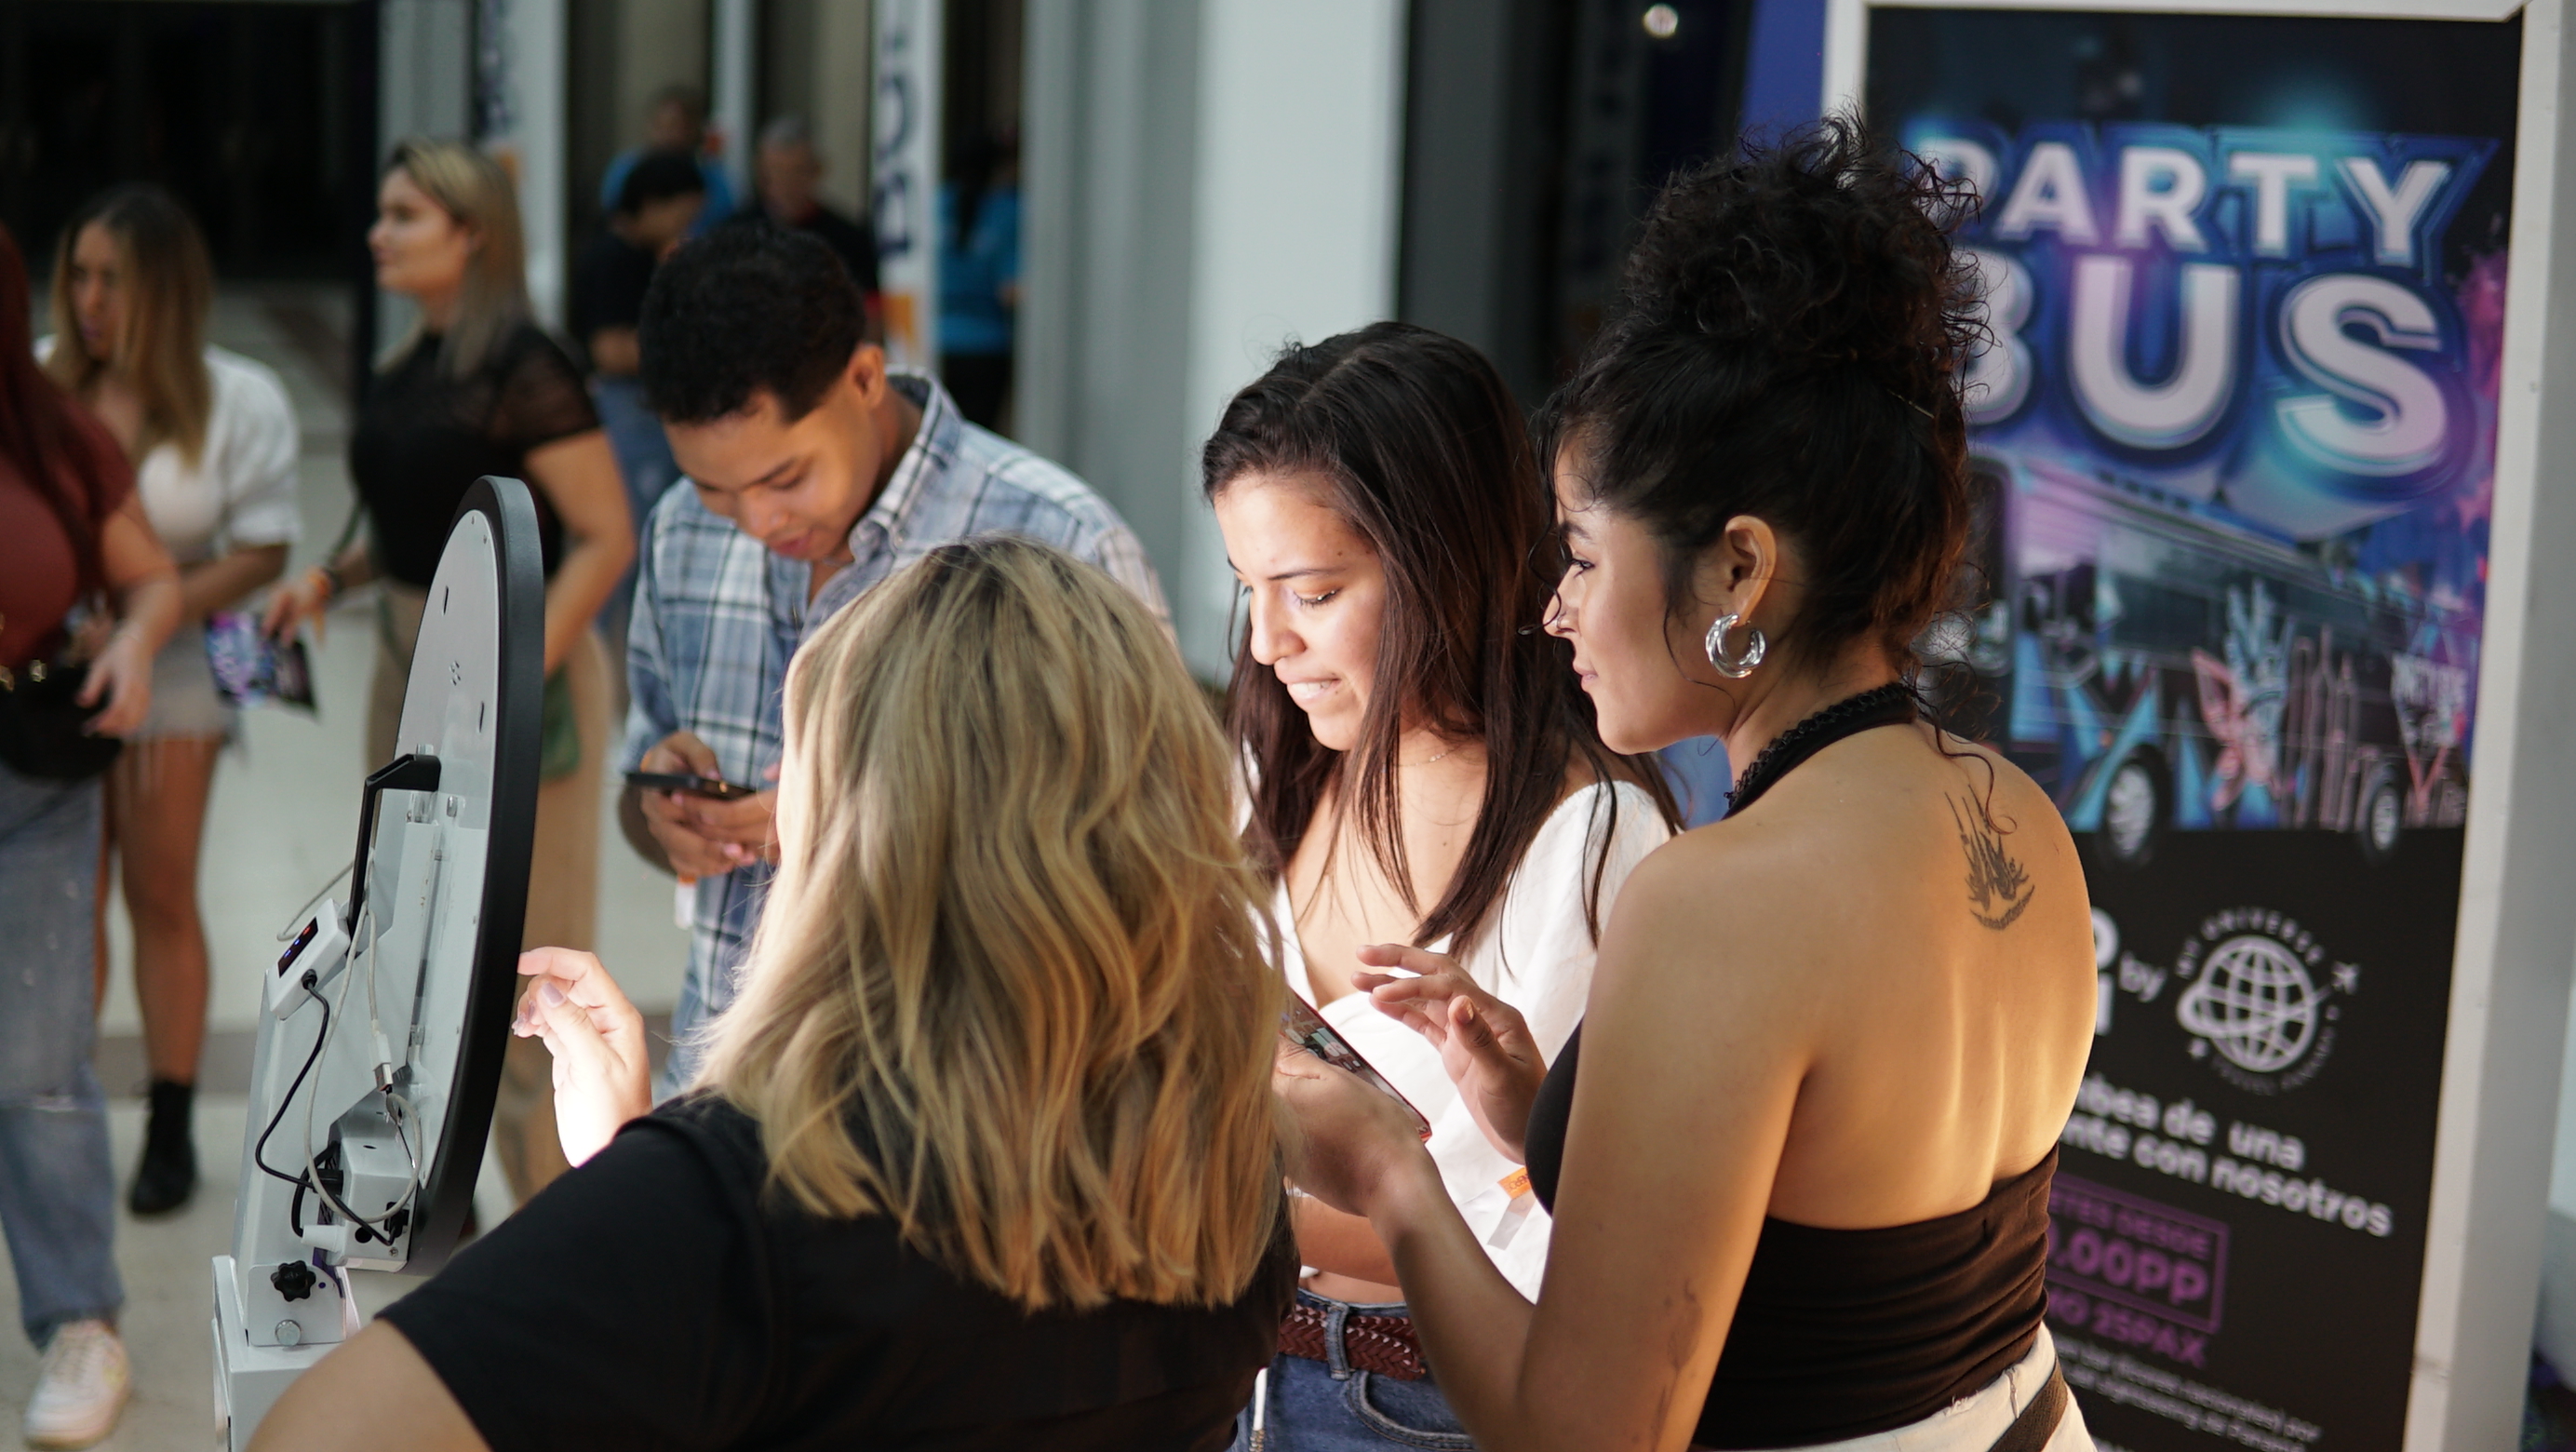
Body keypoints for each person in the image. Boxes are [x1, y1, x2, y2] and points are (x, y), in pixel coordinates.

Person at [1276, 122, 2101, 1451]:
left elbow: (1583, 1434)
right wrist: (1545, 1116)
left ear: (1737, 571)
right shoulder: (2014, 816)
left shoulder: (1715, 901)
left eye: (1583, 558)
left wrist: (1386, 1169)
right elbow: (1830, 1222)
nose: (1555, 610)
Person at [253, 538, 1296, 1452]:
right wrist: (633, 1169)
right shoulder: (1221, 1179)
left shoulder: (741, 1205)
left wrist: (643, 1195)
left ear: (855, 832)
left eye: (797, 761)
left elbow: (321, 1437)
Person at [1205, 322, 1678, 1450]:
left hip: (1427, 1405)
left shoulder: (1591, 841)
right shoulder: (1269, 768)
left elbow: (1574, 1240)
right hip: (1232, 1372)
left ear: (1440, 566)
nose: (1266, 642)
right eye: (1247, 589)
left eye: (1311, 592)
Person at [620, 223, 1162, 1089]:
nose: (757, 522)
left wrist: (844, 832)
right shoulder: (683, 531)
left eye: (785, 479)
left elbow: (1141, 880)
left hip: (963, 1104)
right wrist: (662, 813)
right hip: (726, 1088)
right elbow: (640, 772)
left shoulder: (1060, 542)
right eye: (718, 489)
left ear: (866, 378)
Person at [263, 138, 633, 1203]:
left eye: (405, 216)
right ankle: (441, 1195)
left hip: (522, 673)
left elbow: (605, 535)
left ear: (473, 233)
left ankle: (555, 1214)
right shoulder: (409, 366)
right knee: (414, 939)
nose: (377, 234)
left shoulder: (524, 364)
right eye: (382, 213)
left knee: (524, 952)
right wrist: (328, 580)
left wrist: (511, 678)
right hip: (415, 661)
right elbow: (417, 522)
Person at [41, 183, 302, 1217]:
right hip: (54, 660)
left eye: (112, 279)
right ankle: (56, 1112)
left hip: (184, 658)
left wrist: (145, 617)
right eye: (78, 275)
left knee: (160, 890)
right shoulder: (41, 382)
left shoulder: (238, 397)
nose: (89, 300)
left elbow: (263, 549)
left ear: (166, 289)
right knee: (67, 896)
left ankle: (171, 1120)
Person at [0, 219, 181, 1450]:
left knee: (37, 1058)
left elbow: (152, 576)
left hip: (31, 777)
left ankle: (80, 1317)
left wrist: (134, 642)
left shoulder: (51, 432)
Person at [571, 149, 704, 652]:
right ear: (651, 205)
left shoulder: (647, 255)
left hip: (643, 411)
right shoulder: (614, 259)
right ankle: (598, 658)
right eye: (680, 215)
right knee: (625, 540)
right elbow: (611, 350)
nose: (685, 228)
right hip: (625, 410)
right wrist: (685, 343)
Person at [747, 115, 879, 309]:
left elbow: (870, 308)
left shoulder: (850, 240)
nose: (786, 183)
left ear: (817, 170)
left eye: (797, 171)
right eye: (776, 171)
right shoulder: (734, 234)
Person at [935, 130, 1020, 430]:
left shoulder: (933, 205)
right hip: (986, 345)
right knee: (976, 438)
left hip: (934, 338)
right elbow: (1011, 291)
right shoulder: (1008, 211)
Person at [597, 85, 736, 238]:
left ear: (694, 130)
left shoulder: (711, 176)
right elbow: (615, 218)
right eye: (661, 126)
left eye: (677, 126)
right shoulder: (625, 169)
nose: (668, 135)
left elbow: (724, 222)